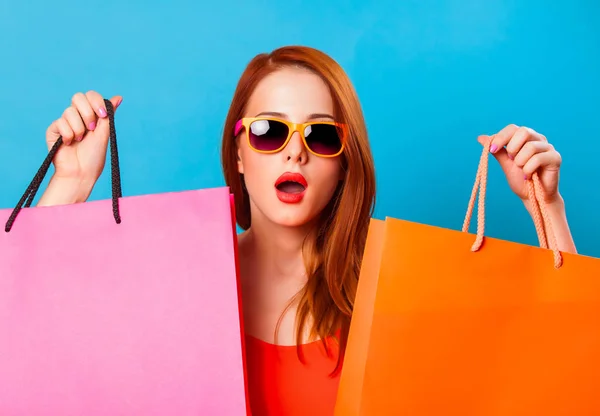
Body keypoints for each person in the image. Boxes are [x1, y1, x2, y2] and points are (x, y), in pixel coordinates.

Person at [36, 45, 577, 415]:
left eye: (320, 135)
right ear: (240, 152)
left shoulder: (392, 287)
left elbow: (559, 374)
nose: (295, 149)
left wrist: (544, 207)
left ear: (344, 162)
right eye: (270, 131)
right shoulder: (174, 278)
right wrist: (72, 183)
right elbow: (40, 348)